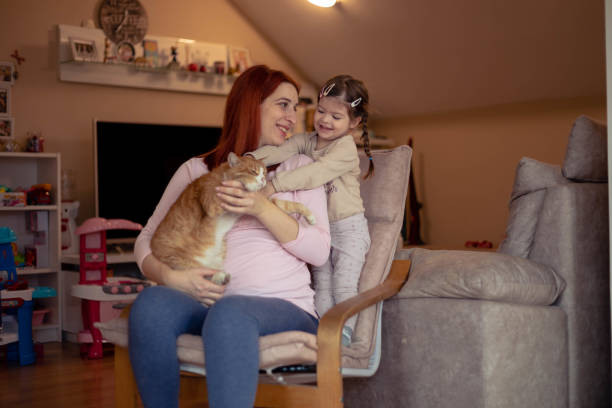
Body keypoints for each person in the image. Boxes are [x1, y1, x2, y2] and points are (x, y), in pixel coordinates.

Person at [128, 65, 331, 408]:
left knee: (232, 313)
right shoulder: (197, 170)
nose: (292, 118)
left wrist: (262, 208)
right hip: (206, 304)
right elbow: (145, 238)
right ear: (252, 105)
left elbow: (320, 250)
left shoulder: (300, 169)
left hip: (284, 307)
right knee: (150, 305)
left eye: (295, 108)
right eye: (283, 105)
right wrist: (170, 277)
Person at [248, 74, 373, 345]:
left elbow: (314, 173)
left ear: (354, 122)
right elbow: (281, 151)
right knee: (322, 287)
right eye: (321, 111)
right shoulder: (308, 140)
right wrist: (249, 159)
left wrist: (274, 185)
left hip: (349, 228)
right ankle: (325, 335)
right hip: (321, 229)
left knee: (343, 285)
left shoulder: (345, 149)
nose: (325, 120)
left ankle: (346, 334)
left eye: (336, 117)